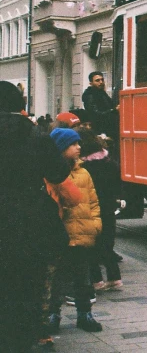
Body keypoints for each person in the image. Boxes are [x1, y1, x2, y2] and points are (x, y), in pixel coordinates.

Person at [0, 81, 70, 353]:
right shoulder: (37, 135)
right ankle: (21, 338)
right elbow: (58, 174)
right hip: (29, 217)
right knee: (27, 281)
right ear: (19, 104)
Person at [47, 128, 104, 333]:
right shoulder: (52, 174)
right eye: (74, 144)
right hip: (61, 236)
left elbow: (94, 201)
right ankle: (53, 315)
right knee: (57, 280)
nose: (79, 147)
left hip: (82, 235)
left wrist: (95, 224)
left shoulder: (84, 173)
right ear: (61, 148)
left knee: (83, 279)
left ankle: (85, 314)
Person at [77, 127, 123, 292]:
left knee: (91, 244)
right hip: (108, 207)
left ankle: (96, 280)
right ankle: (114, 278)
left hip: (91, 208)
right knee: (107, 245)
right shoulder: (109, 162)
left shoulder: (84, 167)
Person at [81, 71, 119, 139]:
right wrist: (114, 110)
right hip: (99, 130)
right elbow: (95, 113)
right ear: (91, 83)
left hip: (108, 129)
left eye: (102, 80)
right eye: (97, 80)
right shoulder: (89, 95)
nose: (101, 82)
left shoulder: (102, 93)